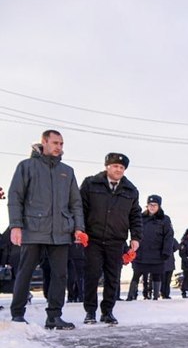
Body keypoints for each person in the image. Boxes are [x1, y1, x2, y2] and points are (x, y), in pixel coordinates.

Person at [7, 130, 85, 329]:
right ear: (44, 142)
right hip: (33, 229)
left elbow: (75, 203)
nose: (59, 147)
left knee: (60, 275)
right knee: (25, 272)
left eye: (61, 143)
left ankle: (54, 317)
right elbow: (15, 197)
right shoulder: (27, 166)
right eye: (55, 143)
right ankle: (17, 314)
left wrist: (78, 227)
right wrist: (16, 225)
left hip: (60, 232)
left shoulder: (67, 171)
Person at [79, 152, 142, 324]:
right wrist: (79, 230)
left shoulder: (131, 190)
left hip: (116, 240)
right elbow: (80, 209)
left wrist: (135, 237)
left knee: (113, 277)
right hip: (93, 239)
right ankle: (90, 312)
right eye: (115, 166)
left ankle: (107, 311)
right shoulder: (90, 184)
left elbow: (135, 216)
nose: (118, 169)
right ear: (107, 167)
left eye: (122, 167)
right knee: (91, 275)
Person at [126, 195, 174, 302]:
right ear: (147, 205)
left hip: (157, 254)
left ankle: (155, 297)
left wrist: (166, 252)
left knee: (157, 275)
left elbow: (169, 237)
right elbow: (134, 233)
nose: (152, 207)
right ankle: (130, 296)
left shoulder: (165, 219)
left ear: (159, 206)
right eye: (150, 205)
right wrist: (131, 249)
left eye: (155, 205)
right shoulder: (140, 218)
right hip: (141, 253)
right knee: (136, 274)